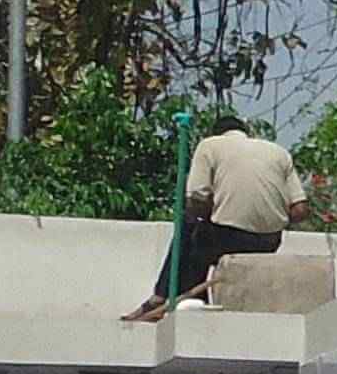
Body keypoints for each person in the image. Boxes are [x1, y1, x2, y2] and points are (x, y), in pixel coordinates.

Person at [131, 111, 308, 320]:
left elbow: (196, 199)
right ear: (246, 132)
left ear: (216, 133)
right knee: (199, 238)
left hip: (227, 238)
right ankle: (185, 301)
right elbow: (300, 210)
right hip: (268, 242)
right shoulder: (279, 152)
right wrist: (269, 218)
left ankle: (164, 298)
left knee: (190, 226)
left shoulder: (210, 145)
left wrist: (214, 212)